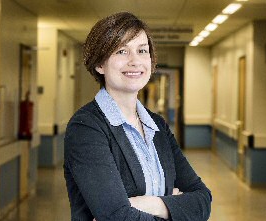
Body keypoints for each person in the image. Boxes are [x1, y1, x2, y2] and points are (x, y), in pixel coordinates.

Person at [64, 12, 212, 221]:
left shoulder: (157, 126)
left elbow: (202, 200)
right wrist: (174, 206)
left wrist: (148, 204)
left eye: (142, 50)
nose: (135, 61)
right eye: (121, 51)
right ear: (99, 64)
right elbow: (116, 216)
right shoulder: (86, 127)